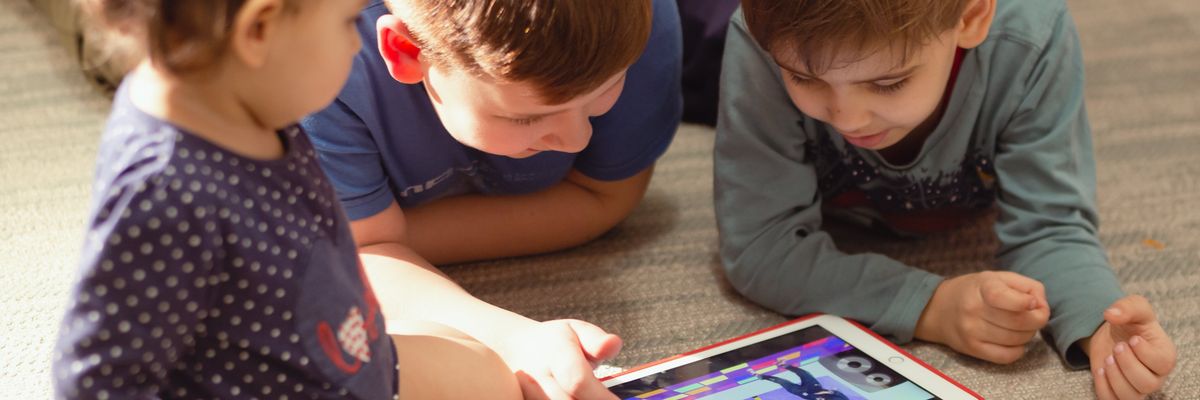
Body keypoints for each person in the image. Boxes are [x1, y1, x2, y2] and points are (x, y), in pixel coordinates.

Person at [52, 0, 521, 398]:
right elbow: (98, 375)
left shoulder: (241, 100)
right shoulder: (164, 190)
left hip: (335, 343)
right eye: (345, 23)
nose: (357, 44)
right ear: (259, 29)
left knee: (485, 363)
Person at [713, 0, 1177, 398]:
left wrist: (1098, 324)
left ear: (972, 16)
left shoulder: (1030, 38)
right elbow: (761, 244)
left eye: (888, 82)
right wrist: (932, 306)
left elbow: (1050, 225)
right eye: (803, 78)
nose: (848, 118)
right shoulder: (763, 35)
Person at [299, 1, 682, 398]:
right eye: (526, 118)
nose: (576, 139)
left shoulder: (635, 18)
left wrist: (374, 238)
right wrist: (504, 337)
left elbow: (607, 196)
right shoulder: (318, 58)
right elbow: (355, 253)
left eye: (605, 89)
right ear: (405, 50)